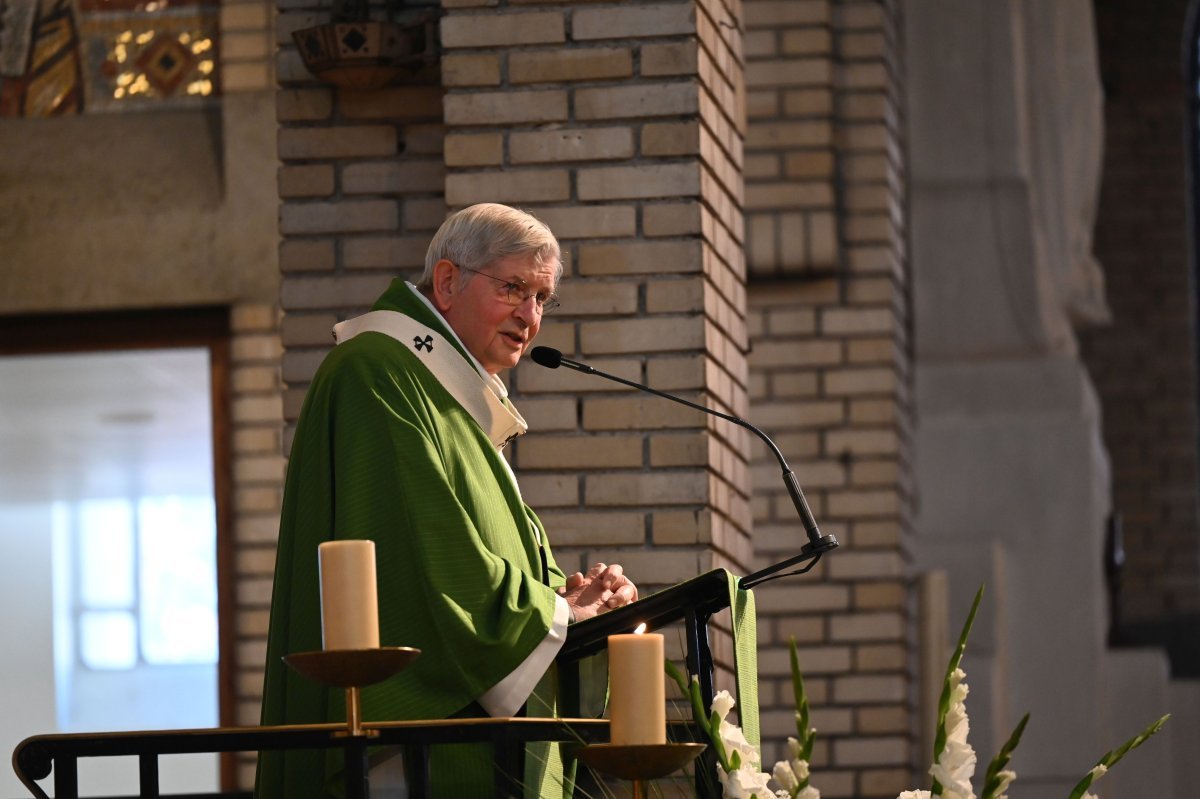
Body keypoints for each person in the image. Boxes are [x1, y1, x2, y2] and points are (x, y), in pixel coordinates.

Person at [255, 203, 638, 799]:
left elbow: (479, 563)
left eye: (542, 298)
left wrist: (569, 602)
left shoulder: (452, 401)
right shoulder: (377, 373)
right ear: (448, 282)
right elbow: (427, 558)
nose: (530, 317)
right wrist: (556, 621)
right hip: (410, 756)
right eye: (514, 289)